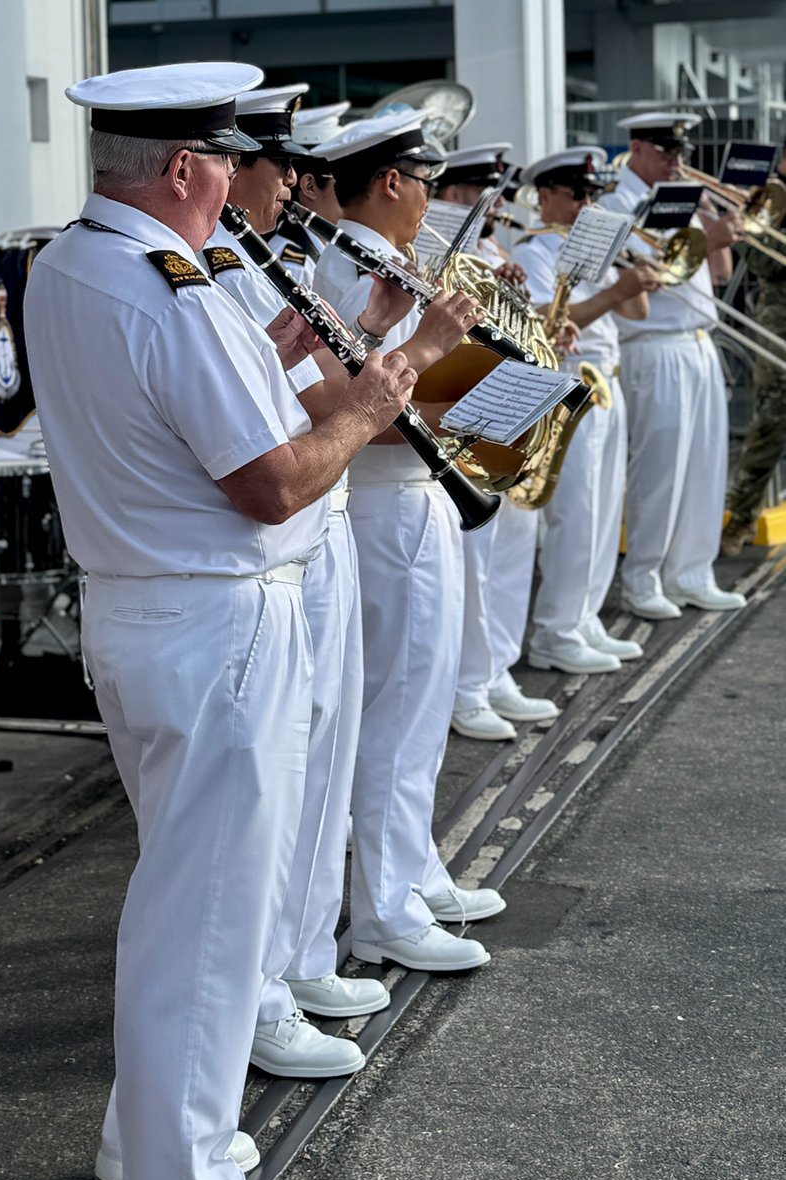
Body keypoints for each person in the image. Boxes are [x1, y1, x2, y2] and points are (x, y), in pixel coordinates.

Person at [23, 62, 417, 1180]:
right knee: (207, 922)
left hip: (145, 612)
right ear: (187, 167)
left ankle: (137, 1133)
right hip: (215, 625)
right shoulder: (176, 288)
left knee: (184, 895)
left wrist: (291, 354)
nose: (243, 181)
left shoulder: (70, 263)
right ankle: (180, 1170)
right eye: (227, 163)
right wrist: (373, 405)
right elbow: (275, 484)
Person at [204, 84, 412, 1079]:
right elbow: (291, 415)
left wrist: (350, 331)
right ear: (222, 167)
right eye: (274, 162)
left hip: (320, 525)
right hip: (279, 536)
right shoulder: (208, 268)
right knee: (281, 783)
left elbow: (292, 379)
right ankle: (269, 989)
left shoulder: (261, 260)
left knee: (324, 759)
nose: (292, 179)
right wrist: (380, 370)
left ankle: (303, 953)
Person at [313, 110, 506, 971]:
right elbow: (364, 410)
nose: (431, 194)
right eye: (423, 178)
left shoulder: (389, 261)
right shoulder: (346, 265)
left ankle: (414, 870)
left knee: (423, 703)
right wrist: (471, 400)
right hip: (382, 507)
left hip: (419, 501)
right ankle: (384, 908)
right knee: (391, 709)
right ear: (389, 181)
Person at [427, 144, 558, 737]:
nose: (495, 206)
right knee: (473, 570)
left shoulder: (494, 252)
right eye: (479, 193)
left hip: (499, 413)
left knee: (505, 559)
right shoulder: (432, 254)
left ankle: (494, 669)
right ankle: (468, 685)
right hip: (458, 425)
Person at [514, 147, 658, 674]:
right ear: (547, 196)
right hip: (571, 384)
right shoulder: (536, 250)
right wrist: (616, 288)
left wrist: (631, 274)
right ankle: (556, 629)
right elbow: (547, 318)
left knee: (601, 512)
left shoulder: (589, 246)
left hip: (606, 387)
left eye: (594, 195)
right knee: (574, 514)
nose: (586, 205)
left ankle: (583, 616)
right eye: (578, 195)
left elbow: (637, 307)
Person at [600, 112, 746, 617]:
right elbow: (651, 276)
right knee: (659, 470)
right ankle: (643, 578)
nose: (676, 162)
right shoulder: (616, 204)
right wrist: (708, 234)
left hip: (700, 339)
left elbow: (720, 273)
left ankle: (692, 572)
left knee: (705, 463)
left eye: (680, 153)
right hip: (654, 345)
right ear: (637, 147)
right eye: (666, 151)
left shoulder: (681, 198)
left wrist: (714, 222)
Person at [723, 144, 786, 554]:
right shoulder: (768, 194)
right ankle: (740, 518)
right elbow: (763, 264)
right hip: (779, 313)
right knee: (773, 415)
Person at [268, 100, 352, 286]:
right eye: (346, 182)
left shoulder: (325, 245)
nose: (354, 192)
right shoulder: (295, 265)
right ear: (310, 186)